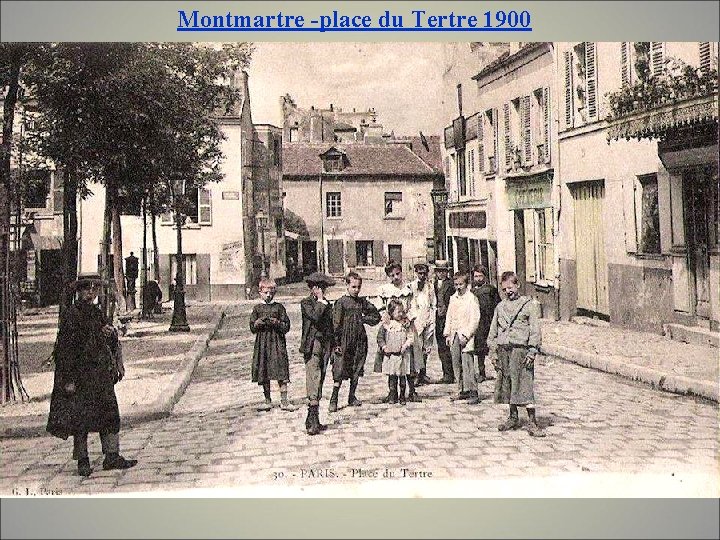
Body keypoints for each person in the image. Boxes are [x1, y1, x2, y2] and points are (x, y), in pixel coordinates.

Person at [46, 274, 137, 477]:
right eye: (86, 288)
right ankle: (82, 460)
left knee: (110, 413)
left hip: (100, 373)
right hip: (81, 374)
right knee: (81, 419)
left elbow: (108, 336)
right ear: (79, 291)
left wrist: (109, 333)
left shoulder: (97, 312)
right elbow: (65, 350)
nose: (91, 291)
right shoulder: (71, 314)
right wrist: (68, 380)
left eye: (94, 288)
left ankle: (112, 456)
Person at [488, 271, 545, 437]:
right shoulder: (500, 307)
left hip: (521, 351)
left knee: (525, 385)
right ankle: (513, 417)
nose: (508, 291)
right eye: (504, 289)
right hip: (504, 350)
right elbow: (493, 332)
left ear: (518, 285)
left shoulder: (529, 305)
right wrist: (493, 352)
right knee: (507, 384)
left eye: (510, 287)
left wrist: (532, 350)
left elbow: (535, 330)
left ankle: (532, 422)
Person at [329, 272, 381, 412]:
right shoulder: (341, 302)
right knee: (339, 370)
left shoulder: (362, 302)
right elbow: (335, 324)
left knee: (356, 368)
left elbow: (376, 316)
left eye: (358, 287)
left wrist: (364, 319)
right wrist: (337, 343)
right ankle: (333, 399)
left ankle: (352, 396)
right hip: (344, 340)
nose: (356, 290)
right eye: (353, 287)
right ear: (347, 285)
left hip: (359, 340)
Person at [249, 278, 297, 412]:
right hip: (263, 343)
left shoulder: (279, 307)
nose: (268, 295)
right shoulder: (257, 308)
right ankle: (267, 400)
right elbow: (252, 327)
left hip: (277, 342)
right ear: (260, 292)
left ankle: (284, 401)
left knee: (281, 369)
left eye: (271, 292)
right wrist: (258, 322)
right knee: (264, 370)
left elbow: (286, 326)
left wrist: (276, 322)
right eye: (265, 293)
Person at [300, 272, 336, 435]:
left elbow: (331, 326)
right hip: (312, 345)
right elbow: (315, 316)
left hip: (325, 344)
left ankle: (313, 418)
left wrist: (335, 345)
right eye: (319, 287)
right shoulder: (306, 303)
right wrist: (322, 302)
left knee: (320, 378)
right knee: (313, 377)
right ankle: (312, 420)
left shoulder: (327, 304)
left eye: (324, 287)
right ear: (312, 288)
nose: (322, 290)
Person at [443, 270, 481, 405]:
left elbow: (475, 319)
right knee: (456, 364)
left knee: (467, 364)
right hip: (454, 335)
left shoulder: (471, 299)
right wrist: (447, 333)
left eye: (461, 284)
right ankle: (461, 390)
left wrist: (467, 335)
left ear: (467, 284)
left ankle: (473, 391)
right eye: (456, 284)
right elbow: (449, 316)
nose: (458, 287)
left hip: (465, 336)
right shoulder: (453, 298)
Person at [377, 299, 417, 406]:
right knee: (392, 377)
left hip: (403, 355)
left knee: (402, 376)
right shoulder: (387, 325)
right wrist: (384, 347)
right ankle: (392, 395)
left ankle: (402, 396)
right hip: (391, 355)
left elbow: (410, 336)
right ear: (391, 312)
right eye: (397, 312)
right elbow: (380, 338)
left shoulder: (405, 324)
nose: (400, 314)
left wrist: (405, 345)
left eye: (401, 311)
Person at [471, 265, 501, 384]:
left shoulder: (490, 289)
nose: (478, 278)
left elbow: (497, 304)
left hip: (488, 321)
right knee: (479, 348)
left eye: (480, 276)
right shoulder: (472, 291)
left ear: (485, 276)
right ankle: (481, 372)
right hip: (478, 323)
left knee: (493, 346)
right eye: (476, 276)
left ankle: (499, 370)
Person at [407, 262, 435, 389]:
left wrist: (432, 317)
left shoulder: (430, 286)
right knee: (417, 346)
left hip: (428, 316)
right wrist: (412, 317)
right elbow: (409, 303)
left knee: (427, 345)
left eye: (424, 273)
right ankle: (416, 373)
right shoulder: (411, 286)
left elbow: (433, 302)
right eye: (420, 273)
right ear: (416, 273)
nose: (422, 275)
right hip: (417, 318)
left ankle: (423, 373)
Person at [433, 260, 455, 384]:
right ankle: (446, 374)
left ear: (447, 272)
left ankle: (452, 374)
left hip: (448, 317)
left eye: (443, 271)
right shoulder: (434, 284)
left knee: (449, 346)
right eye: (438, 271)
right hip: (438, 318)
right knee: (441, 347)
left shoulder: (451, 284)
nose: (440, 274)